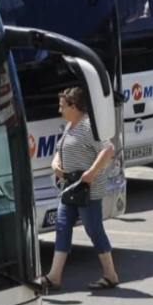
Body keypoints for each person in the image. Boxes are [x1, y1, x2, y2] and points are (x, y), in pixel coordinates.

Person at [43, 87, 119, 291]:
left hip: (87, 189)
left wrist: (92, 172)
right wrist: (55, 163)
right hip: (71, 187)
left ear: (74, 107)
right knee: (62, 225)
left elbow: (108, 148)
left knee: (93, 229)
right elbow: (60, 149)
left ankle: (110, 274)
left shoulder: (88, 126)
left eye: (62, 106)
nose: (60, 110)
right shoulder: (70, 126)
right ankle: (55, 275)